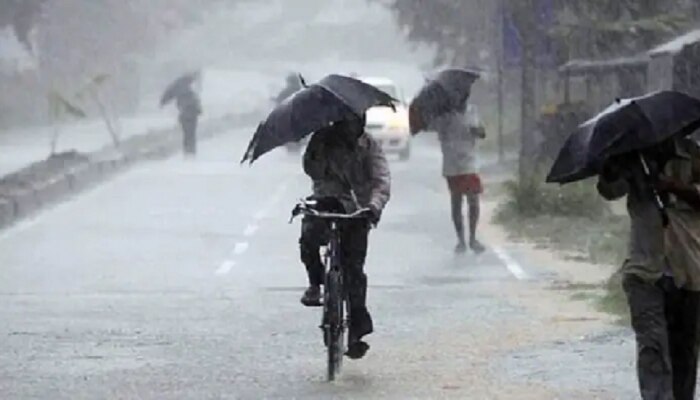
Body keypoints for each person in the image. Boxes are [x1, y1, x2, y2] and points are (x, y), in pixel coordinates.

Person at [597, 138, 700, 400]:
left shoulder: (692, 156)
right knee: (652, 348)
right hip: (645, 271)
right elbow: (610, 190)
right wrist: (610, 167)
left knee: (684, 353)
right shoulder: (634, 156)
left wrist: (674, 187)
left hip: (688, 268)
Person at [299, 113, 391, 359]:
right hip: (325, 203)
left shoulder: (370, 146)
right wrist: (319, 146)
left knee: (355, 272)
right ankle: (315, 284)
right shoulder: (322, 138)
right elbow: (310, 168)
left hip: (359, 211)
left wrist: (373, 206)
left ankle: (357, 333)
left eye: (356, 122)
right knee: (308, 238)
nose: (351, 127)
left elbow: (381, 181)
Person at [430, 96, 486, 254]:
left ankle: (473, 238)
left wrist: (476, 130)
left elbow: (482, 133)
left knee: (473, 200)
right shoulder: (443, 115)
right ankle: (461, 240)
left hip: (469, 161)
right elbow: (437, 132)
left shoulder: (472, 110)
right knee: (456, 201)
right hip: (452, 162)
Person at [176, 86, 202, 156]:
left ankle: (186, 149)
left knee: (186, 134)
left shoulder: (181, 97)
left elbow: (178, 106)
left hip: (184, 118)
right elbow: (199, 109)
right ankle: (192, 150)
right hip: (193, 118)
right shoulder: (194, 96)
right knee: (192, 133)